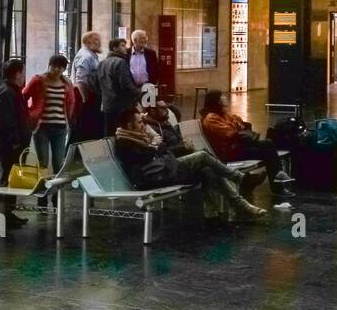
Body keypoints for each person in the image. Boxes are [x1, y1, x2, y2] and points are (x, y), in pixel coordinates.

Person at [114, 106, 266, 223]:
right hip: (156, 177)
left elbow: (162, 150)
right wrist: (154, 147)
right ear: (129, 125)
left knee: (207, 170)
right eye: (140, 122)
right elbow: (143, 158)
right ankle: (241, 180)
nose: (143, 124)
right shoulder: (124, 142)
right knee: (202, 156)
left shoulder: (140, 137)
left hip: (167, 169)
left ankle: (215, 216)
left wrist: (157, 148)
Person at [200, 91, 294, 195]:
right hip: (229, 152)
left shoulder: (223, 114)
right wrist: (238, 129)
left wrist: (239, 127)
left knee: (268, 144)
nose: (225, 98)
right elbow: (229, 133)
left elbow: (240, 125)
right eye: (222, 97)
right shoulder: (211, 118)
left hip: (237, 147)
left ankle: (277, 178)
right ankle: (277, 182)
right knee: (268, 148)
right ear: (216, 101)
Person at [24, 55, 75, 208]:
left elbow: (71, 102)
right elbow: (23, 96)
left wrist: (70, 120)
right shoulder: (38, 80)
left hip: (60, 128)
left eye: (60, 67)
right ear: (49, 66)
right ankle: (42, 197)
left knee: (59, 163)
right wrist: (30, 114)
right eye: (54, 66)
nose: (57, 70)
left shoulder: (67, 83)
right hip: (42, 128)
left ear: (64, 69)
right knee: (43, 163)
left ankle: (56, 197)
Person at [0, 58, 32, 229]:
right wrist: (15, 141)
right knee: (7, 180)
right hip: (9, 146)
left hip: (17, 144)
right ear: (17, 74)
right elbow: (6, 120)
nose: (25, 76)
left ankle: (7, 213)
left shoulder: (14, 91)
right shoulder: (7, 93)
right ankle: (0, 218)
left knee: (12, 179)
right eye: (23, 72)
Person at [98, 37, 140, 136]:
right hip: (122, 105)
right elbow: (126, 85)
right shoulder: (121, 62)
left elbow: (98, 84)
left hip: (107, 104)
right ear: (114, 48)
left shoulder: (102, 63)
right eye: (122, 45)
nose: (126, 47)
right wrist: (139, 93)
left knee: (109, 132)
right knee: (122, 133)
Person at [69, 31, 103, 141]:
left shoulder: (91, 56)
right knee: (82, 127)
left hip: (89, 96)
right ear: (88, 42)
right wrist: (85, 98)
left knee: (86, 128)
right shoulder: (86, 57)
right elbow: (81, 79)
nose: (100, 43)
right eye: (96, 41)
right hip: (87, 97)